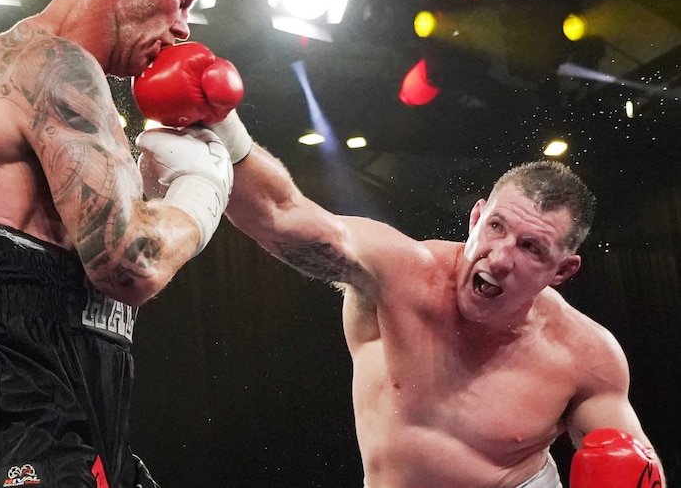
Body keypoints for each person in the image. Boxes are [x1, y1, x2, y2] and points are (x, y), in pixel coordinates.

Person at [132, 44, 666, 488]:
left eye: (532, 249)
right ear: (476, 217)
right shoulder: (400, 273)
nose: (501, 258)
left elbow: (637, 464)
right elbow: (285, 216)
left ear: (563, 271)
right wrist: (224, 127)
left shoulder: (586, 355)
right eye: (497, 227)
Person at [0, 0, 238, 487]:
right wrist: (201, 193)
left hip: (79, 376)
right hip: (9, 380)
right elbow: (129, 266)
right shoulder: (48, 64)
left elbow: (111, 273)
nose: (185, 26)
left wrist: (157, 196)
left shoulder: (86, 94)